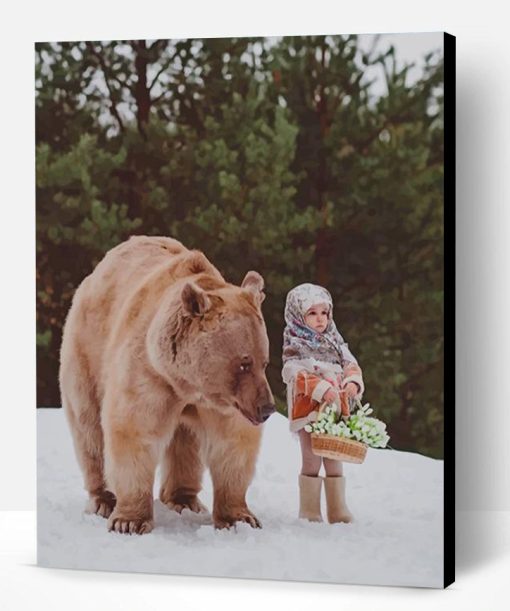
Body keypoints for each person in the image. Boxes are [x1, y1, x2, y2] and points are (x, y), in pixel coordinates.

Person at [282, 283, 364, 524]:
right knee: (311, 457)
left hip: (335, 412)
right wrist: (322, 388)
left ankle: (338, 509)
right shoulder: (295, 345)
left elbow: (351, 364)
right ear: (298, 316)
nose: (320, 320)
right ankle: (309, 510)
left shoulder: (335, 342)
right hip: (309, 412)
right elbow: (293, 373)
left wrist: (352, 383)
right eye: (312, 313)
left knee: (334, 456)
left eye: (324, 313)